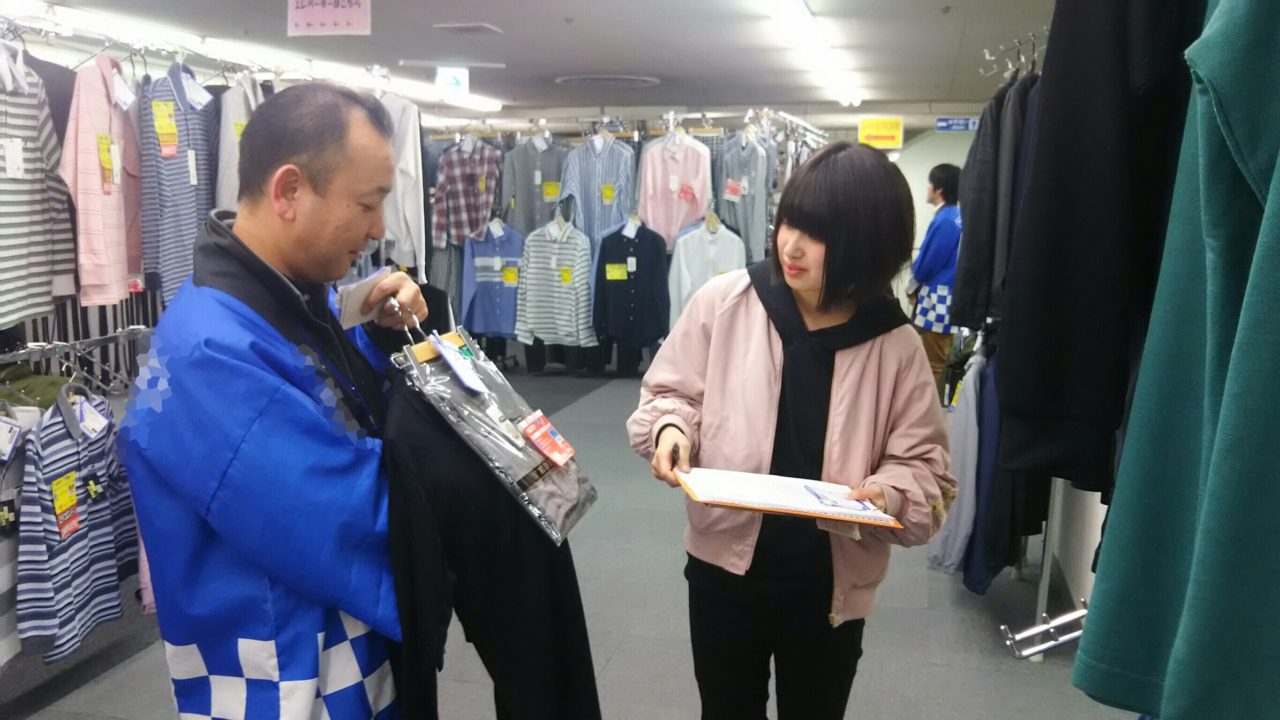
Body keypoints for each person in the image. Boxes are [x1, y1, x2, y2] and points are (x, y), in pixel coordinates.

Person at [119, 83, 429, 720]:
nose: (378, 229)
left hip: (329, 654)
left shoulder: (283, 300)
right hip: (280, 679)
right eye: (366, 204)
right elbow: (342, 516)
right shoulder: (209, 354)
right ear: (289, 190)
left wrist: (375, 335)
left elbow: (328, 401)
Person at [627, 141, 956, 720]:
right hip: (724, 566)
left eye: (817, 234)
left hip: (830, 580)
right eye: (789, 223)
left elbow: (926, 468)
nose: (791, 246)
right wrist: (672, 428)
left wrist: (888, 494)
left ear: (867, 243)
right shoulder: (725, 302)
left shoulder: (895, 345)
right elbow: (671, 393)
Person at [909, 163, 964, 386]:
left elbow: (928, 262)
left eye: (930, 184)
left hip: (937, 299)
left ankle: (930, 405)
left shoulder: (945, 220)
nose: (928, 188)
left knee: (934, 363)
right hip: (949, 296)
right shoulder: (958, 216)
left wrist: (912, 287)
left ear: (938, 188)